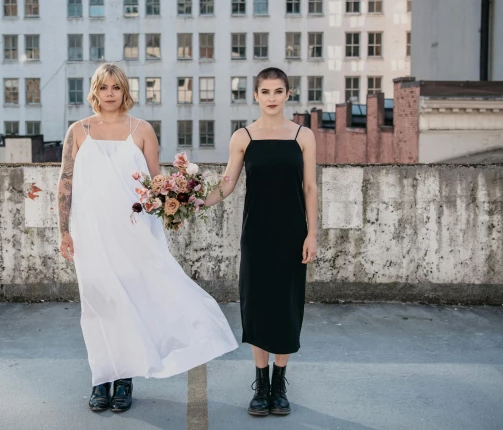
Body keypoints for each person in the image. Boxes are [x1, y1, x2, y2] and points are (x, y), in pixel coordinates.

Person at [57, 63, 238, 414]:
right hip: (91, 232)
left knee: (132, 301)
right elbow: (66, 181)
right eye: (104, 86)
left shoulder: (141, 130)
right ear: (95, 91)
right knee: (97, 305)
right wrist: (63, 229)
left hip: (135, 232)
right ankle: (101, 377)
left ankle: (125, 377)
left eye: (116, 87)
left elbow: (156, 182)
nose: (110, 93)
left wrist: (178, 201)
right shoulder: (78, 131)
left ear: (125, 91)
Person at [204, 67, 318, 417]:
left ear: (287, 95)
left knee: (285, 305)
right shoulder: (244, 137)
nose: (271, 98)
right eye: (265, 91)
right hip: (256, 235)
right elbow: (227, 184)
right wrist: (192, 199)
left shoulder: (303, 136)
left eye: (278, 91)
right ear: (255, 95)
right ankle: (261, 383)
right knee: (256, 305)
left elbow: (310, 187)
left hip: (292, 234)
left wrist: (312, 233)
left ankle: (279, 384)